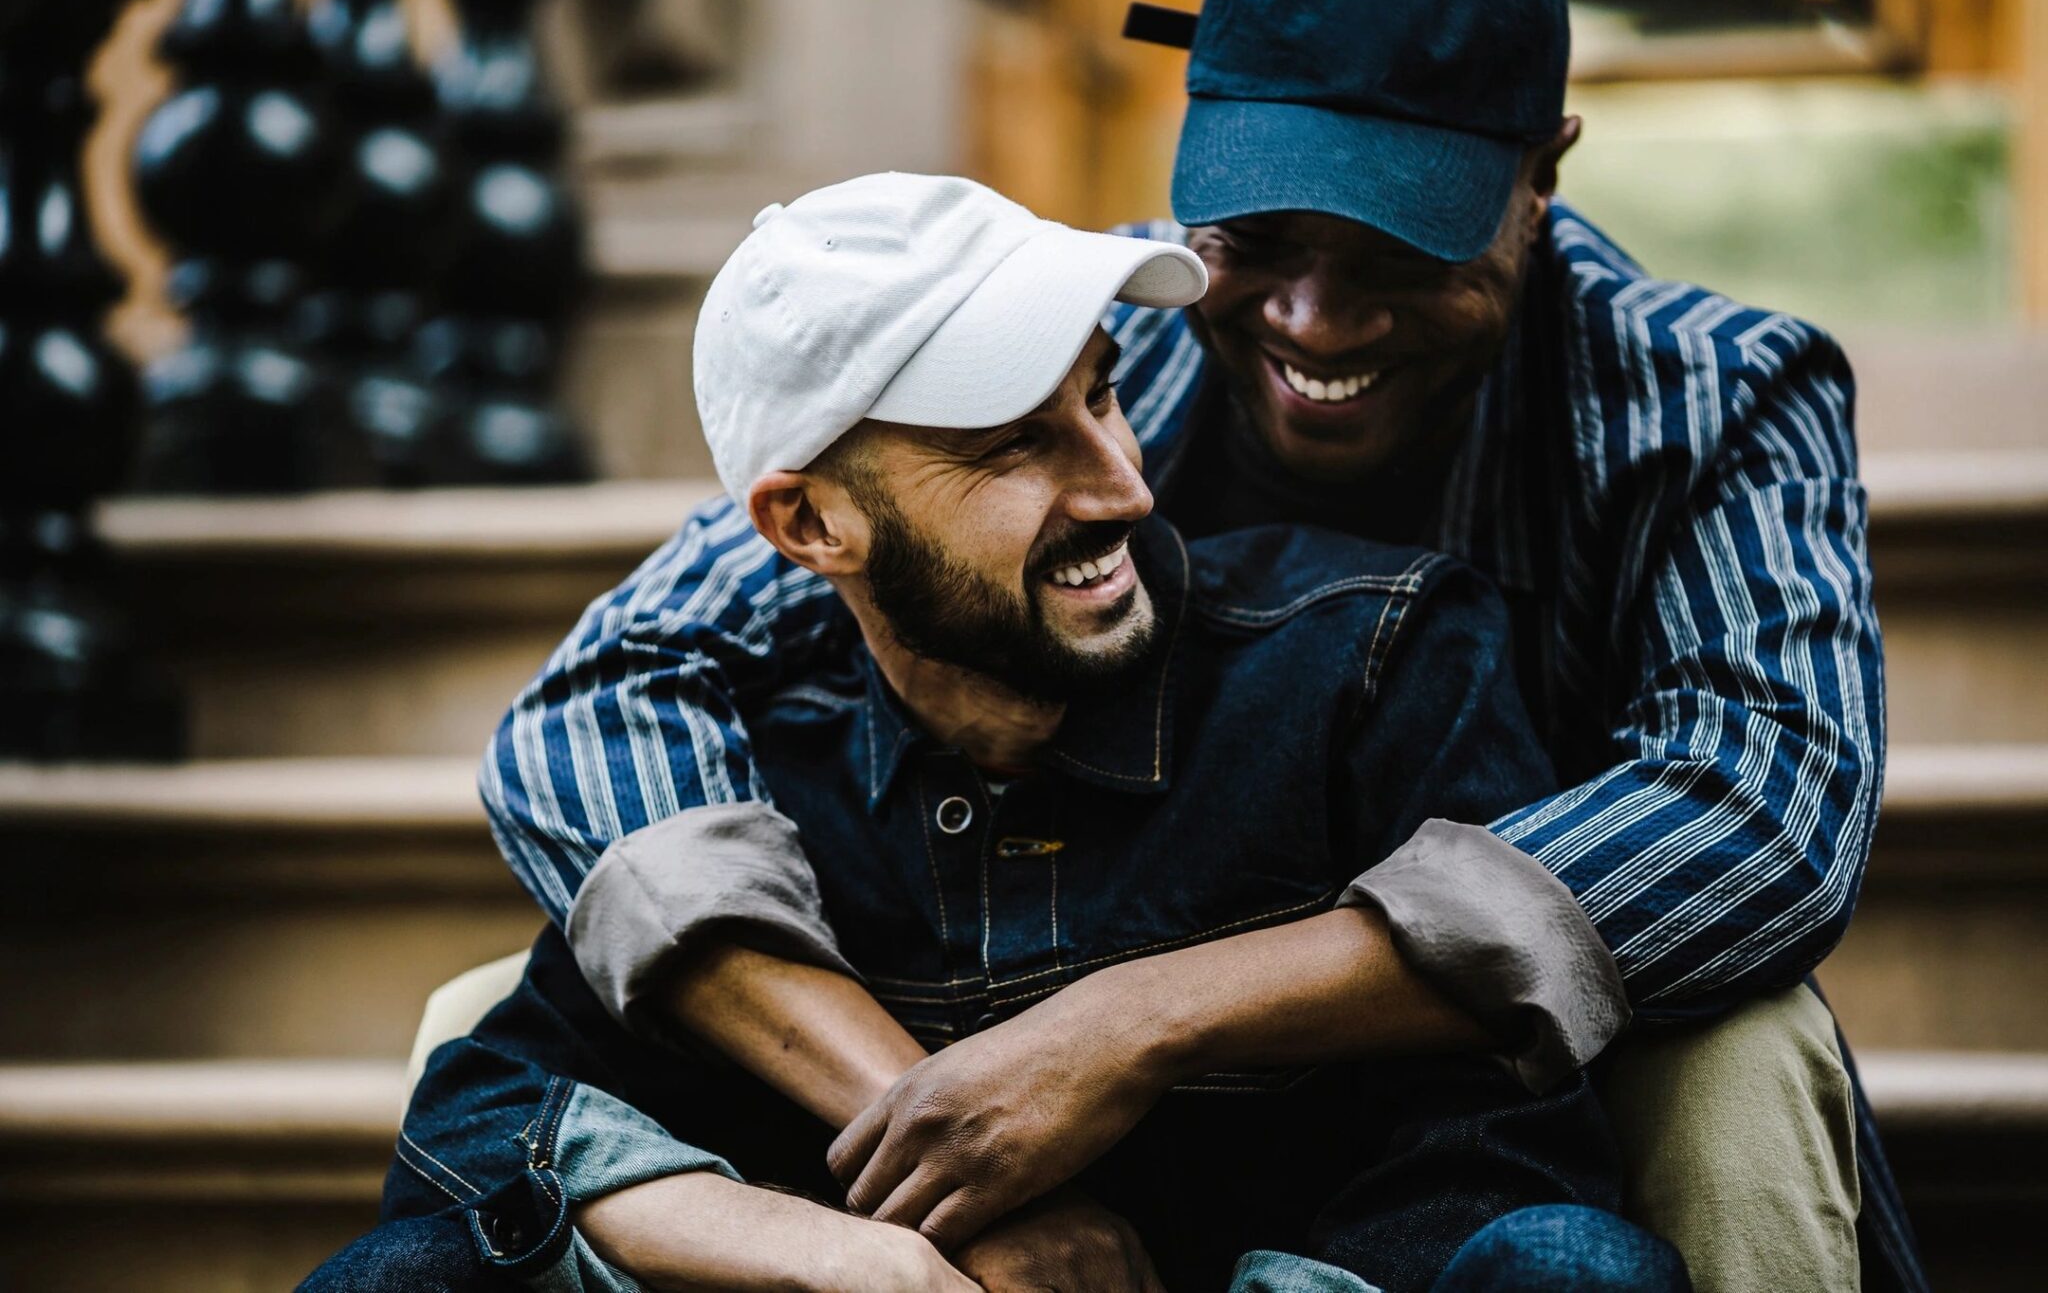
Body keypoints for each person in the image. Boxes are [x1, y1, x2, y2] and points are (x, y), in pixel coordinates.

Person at [478, 0, 1921, 1290]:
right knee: (528, 1022)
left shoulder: (1710, 397)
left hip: (1515, 1077)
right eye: (1261, 236)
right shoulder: (1080, 343)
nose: (1314, 318)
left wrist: (1137, 1022)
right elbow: (599, 704)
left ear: (1543, 173)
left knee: (1749, 1048)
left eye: (1399, 251)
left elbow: (1760, 824)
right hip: (1115, 1073)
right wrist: (938, 1119)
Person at [308, 172, 1689, 1292]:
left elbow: (1509, 1156)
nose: (1120, 487)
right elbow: (477, 1133)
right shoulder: (760, 784)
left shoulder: (1370, 661)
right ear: (810, 523)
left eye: (1101, 393)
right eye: (1009, 445)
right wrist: (866, 1259)